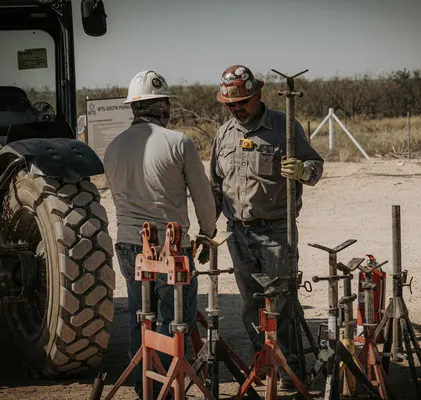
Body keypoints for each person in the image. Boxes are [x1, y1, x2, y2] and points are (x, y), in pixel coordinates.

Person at [209, 64, 324, 388]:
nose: (236, 110)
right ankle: (264, 361)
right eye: (230, 105)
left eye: (241, 103)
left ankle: (289, 370)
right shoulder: (224, 134)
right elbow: (216, 187)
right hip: (238, 233)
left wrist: (302, 170)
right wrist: (207, 229)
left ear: (257, 95)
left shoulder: (284, 128)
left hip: (276, 232)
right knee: (252, 307)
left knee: (281, 304)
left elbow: (316, 166)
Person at [103, 70, 216, 399]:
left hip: (128, 244)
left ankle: (146, 388)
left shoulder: (113, 148)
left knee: (141, 315)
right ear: (163, 106)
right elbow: (203, 199)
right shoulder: (178, 142)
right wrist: (207, 234)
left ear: (134, 108)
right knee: (173, 317)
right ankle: (168, 389)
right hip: (170, 246)